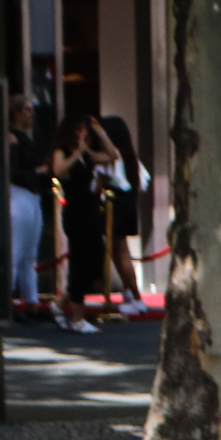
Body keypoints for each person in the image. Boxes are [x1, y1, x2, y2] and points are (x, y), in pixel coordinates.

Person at [50, 113, 119, 333]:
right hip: (75, 212)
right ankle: (77, 318)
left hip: (90, 211)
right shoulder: (63, 153)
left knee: (93, 260)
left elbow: (112, 154)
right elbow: (59, 171)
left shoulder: (88, 155)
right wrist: (78, 151)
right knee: (79, 262)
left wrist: (100, 131)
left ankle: (60, 304)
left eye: (84, 130)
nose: (82, 134)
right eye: (78, 130)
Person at [96, 114, 154, 318]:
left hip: (114, 203)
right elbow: (143, 181)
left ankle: (137, 298)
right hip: (129, 201)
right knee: (119, 251)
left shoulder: (111, 158)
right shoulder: (130, 157)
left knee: (120, 253)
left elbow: (99, 184)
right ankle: (130, 293)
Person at [7, 96, 50, 314]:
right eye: (27, 109)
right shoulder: (12, 138)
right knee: (15, 250)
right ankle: (10, 300)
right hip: (19, 195)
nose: (31, 114)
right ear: (16, 112)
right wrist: (37, 172)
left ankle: (31, 300)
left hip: (32, 196)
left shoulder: (27, 138)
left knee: (29, 252)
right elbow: (11, 171)